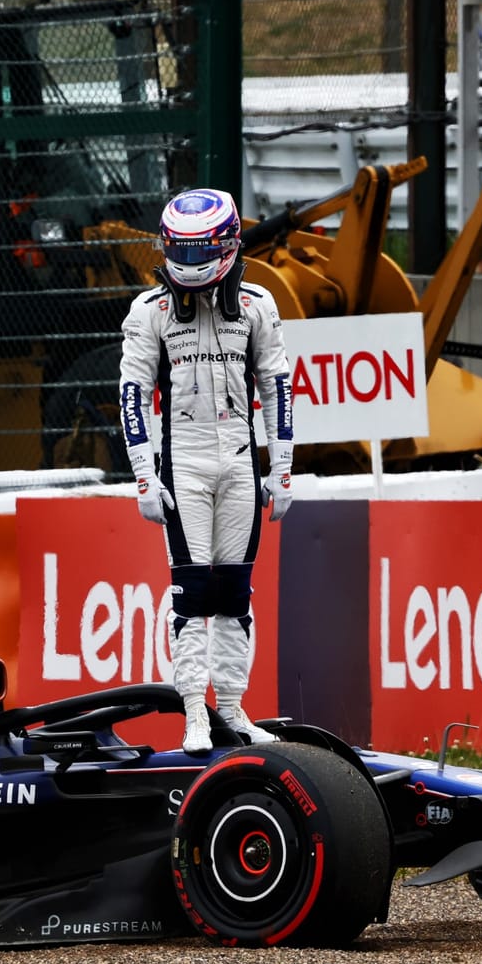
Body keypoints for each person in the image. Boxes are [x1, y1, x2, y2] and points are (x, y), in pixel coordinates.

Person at [119, 188, 293, 754]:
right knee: (191, 592)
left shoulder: (259, 305)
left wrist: (283, 468)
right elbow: (132, 392)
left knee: (235, 592)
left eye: (203, 253)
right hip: (184, 465)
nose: (191, 266)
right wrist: (145, 476)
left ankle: (235, 709)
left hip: (241, 465)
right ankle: (195, 711)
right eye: (181, 253)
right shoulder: (150, 310)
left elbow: (278, 385)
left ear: (229, 245)